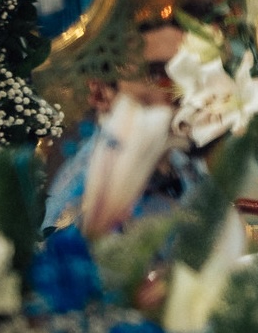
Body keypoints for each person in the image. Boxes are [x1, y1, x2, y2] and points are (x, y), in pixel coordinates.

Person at [42, 17, 205, 230]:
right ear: (102, 93)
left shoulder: (188, 166)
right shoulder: (85, 188)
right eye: (156, 73)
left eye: (188, 72)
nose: (179, 90)